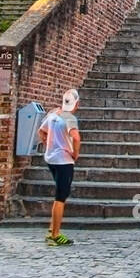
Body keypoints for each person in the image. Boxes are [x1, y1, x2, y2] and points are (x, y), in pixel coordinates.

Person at [37, 89, 81, 247]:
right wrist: (75, 154)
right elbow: (76, 138)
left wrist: (48, 145)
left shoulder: (53, 114)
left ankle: (51, 229)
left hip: (51, 159)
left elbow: (41, 131)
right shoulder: (69, 118)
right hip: (63, 161)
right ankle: (55, 235)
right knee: (61, 197)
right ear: (77, 103)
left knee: (59, 194)